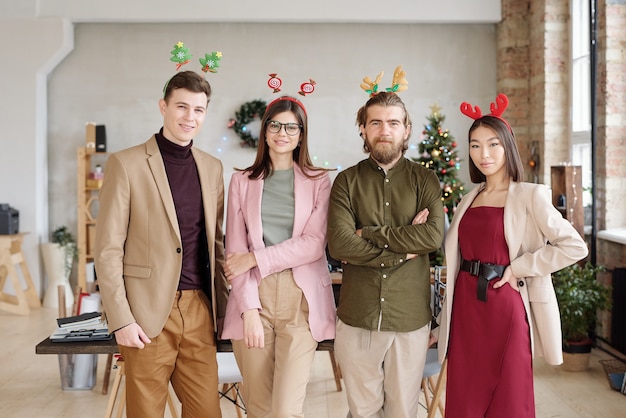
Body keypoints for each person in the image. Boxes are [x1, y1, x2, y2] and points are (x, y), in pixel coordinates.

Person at [434, 94, 589, 417]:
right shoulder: (468, 197)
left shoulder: (529, 195)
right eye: (475, 145)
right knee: (464, 398)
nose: (483, 154)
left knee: (509, 398)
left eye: (492, 145)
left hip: (505, 305)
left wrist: (520, 267)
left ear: (507, 146)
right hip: (466, 307)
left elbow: (575, 246)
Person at [95, 70, 229, 418]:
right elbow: (108, 249)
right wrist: (121, 319)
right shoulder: (126, 164)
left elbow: (215, 244)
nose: (189, 117)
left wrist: (225, 312)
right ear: (163, 107)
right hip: (146, 313)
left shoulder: (212, 168)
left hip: (200, 309)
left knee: (207, 412)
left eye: (198, 110)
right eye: (181, 107)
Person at [327, 91, 445, 418]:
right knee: (363, 410)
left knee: (402, 411)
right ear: (363, 129)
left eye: (393, 122)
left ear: (406, 129)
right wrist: (403, 250)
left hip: (409, 317)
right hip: (358, 315)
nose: (384, 130)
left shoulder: (426, 180)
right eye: (375, 122)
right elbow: (339, 245)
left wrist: (369, 234)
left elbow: (432, 236)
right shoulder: (346, 182)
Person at [221, 96, 337, 418]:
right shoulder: (241, 181)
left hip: (301, 303)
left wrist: (256, 258)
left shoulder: (319, 181)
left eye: (291, 126)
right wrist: (249, 312)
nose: (281, 132)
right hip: (252, 300)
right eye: (274, 124)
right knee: (259, 409)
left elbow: (314, 244)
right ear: (264, 130)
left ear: (301, 134)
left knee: (286, 411)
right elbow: (234, 253)